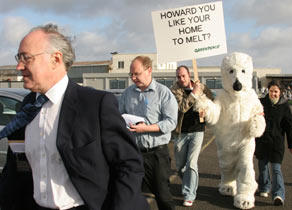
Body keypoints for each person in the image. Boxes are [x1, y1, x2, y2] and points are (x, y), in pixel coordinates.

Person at [0, 23, 149, 210]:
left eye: (26, 58)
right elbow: (17, 166)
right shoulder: (28, 106)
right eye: (18, 57)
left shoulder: (95, 104)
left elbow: (129, 166)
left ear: (55, 59)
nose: (19, 66)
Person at [119, 56, 178, 210]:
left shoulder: (164, 93)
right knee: (131, 194)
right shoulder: (127, 94)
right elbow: (119, 117)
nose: (133, 78)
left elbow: (171, 122)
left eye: (136, 74)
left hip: (157, 154)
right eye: (131, 74)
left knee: (163, 196)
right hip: (134, 153)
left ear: (149, 70)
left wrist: (145, 128)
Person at [170, 65, 213, 207]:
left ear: (189, 75)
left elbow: (212, 100)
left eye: (183, 75)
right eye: (179, 76)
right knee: (181, 166)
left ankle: (189, 194)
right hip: (181, 132)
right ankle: (190, 184)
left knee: (192, 163)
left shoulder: (201, 86)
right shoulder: (174, 90)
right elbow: (182, 107)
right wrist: (194, 94)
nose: (181, 79)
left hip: (198, 130)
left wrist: (205, 102)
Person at [255, 80, 292, 206]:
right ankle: (264, 187)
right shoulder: (261, 103)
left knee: (276, 168)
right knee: (262, 167)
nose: (273, 94)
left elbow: (289, 126)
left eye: (276, 91)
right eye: (271, 91)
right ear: (268, 91)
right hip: (262, 141)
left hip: (277, 143)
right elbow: (253, 119)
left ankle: (278, 194)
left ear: (281, 92)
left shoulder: (284, 106)